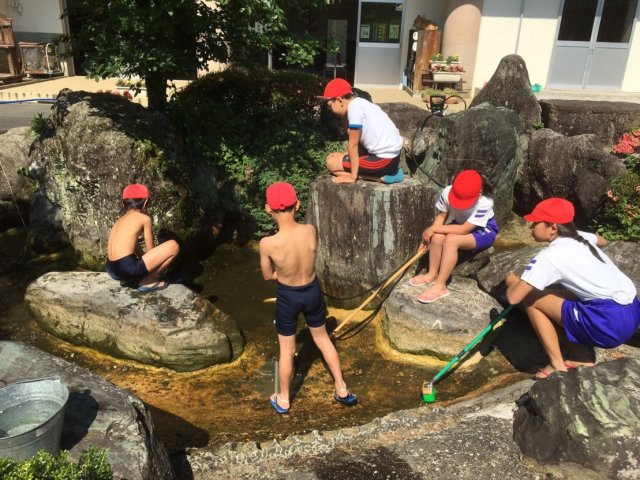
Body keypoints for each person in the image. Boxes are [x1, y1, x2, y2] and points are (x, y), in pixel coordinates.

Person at [505, 197, 640, 379]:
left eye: (535, 223)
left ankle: (556, 364)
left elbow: (514, 298)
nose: (530, 227)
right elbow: (602, 240)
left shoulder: (549, 257)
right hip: (631, 311)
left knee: (532, 298)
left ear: (553, 227)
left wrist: (512, 283)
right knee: (561, 295)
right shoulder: (580, 237)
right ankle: (578, 357)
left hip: (609, 322)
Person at [259, 181, 357, 414]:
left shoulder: (267, 243)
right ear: (298, 204)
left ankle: (283, 399)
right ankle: (342, 388)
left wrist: (279, 273)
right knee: (323, 339)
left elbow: (266, 276)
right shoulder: (310, 230)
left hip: (288, 295)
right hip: (312, 291)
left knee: (286, 349)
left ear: (267, 209)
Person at [409, 169, 499, 303]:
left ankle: (440, 285)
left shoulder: (485, 202)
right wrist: (432, 233)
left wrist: (432, 229)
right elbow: (441, 215)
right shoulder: (447, 191)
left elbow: (464, 229)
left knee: (451, 240)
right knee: (438, 236)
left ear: (479, 193)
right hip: (461, 224)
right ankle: (432, 274)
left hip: (484, 229)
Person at [321, 78, 404, 185]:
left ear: (339, 100)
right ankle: (382, 175)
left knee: (331, 163)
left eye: (329, 105)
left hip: (384, 160)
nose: (330, 110)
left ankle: (381, 177)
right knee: (336, 159)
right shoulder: (360, 103)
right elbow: (360, 142)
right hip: (392, 157)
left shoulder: (354, 109)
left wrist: (352, 177)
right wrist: (344, 155)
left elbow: (353, 146)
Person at [106, 184, 179, 292]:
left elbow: (133, 246)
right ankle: (148, 280)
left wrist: (143, 261)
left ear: (123, 203)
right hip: (127, 268)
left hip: (111, 269)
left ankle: (129, 280)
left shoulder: (119, 220)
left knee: (137, 259)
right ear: (145, 203)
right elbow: (151, 251)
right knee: (174, 245)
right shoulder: (144, 218)